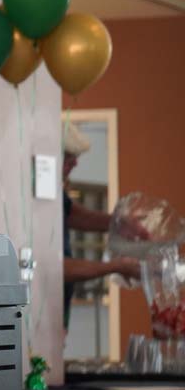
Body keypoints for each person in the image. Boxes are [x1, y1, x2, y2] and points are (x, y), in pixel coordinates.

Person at [61, 120, 142, 330]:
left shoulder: (54, 194)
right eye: (69, 157)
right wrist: (116, 266)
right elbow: (54, 267)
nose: (75, 164)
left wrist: (116, 223)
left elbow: (71, 213)